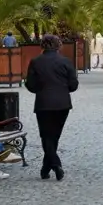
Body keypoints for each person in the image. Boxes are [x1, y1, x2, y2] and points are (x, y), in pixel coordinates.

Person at [25, 33, 79, 180]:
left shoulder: (35, 62)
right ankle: (50, 166)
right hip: (62, 103)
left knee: (46, 135)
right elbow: (73, 85)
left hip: (43, 103)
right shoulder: (65, 61)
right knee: (54, 136)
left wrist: (41, 89)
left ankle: (51, 165)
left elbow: (30, 85)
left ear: (42, 45)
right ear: (58, 46)